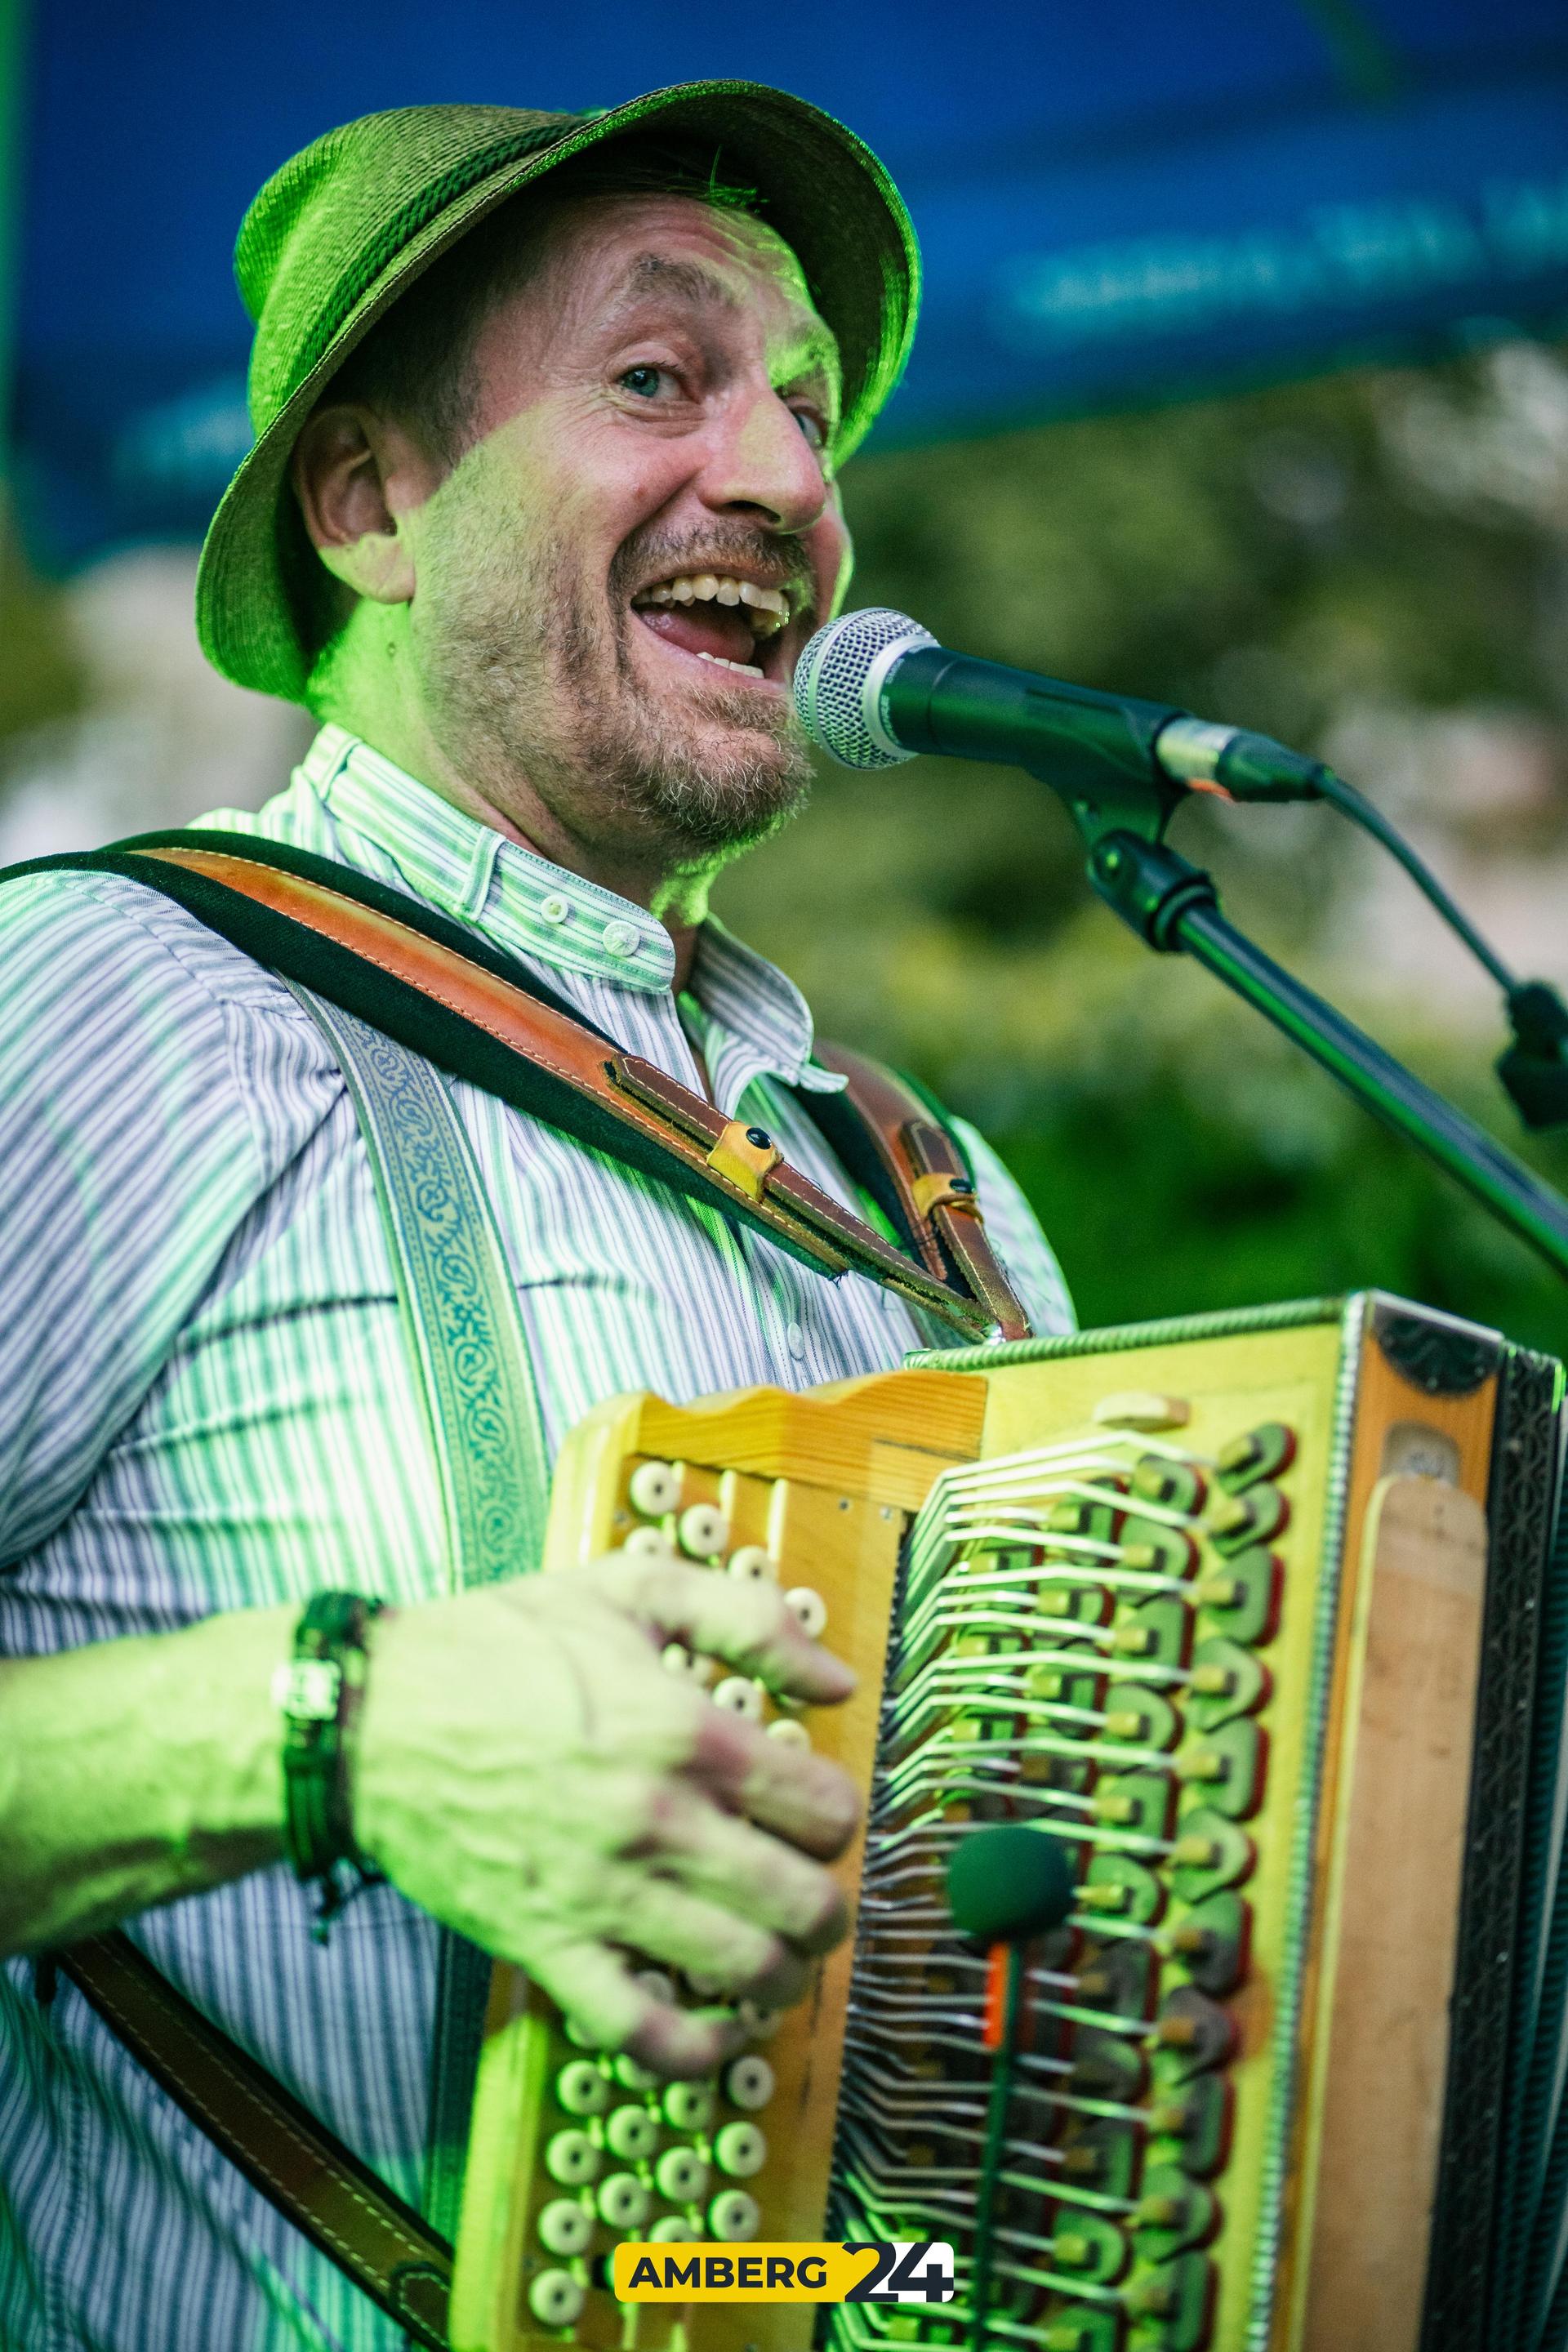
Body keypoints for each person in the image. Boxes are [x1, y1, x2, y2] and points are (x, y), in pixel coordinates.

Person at [0, 83, 1073, 2350]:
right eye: (659, 379)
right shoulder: (98, 995)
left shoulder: (934, 1196)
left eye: (802, 409)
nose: (789, 480)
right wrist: (337, 1728)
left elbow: (787, 2243)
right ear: (375, 502)